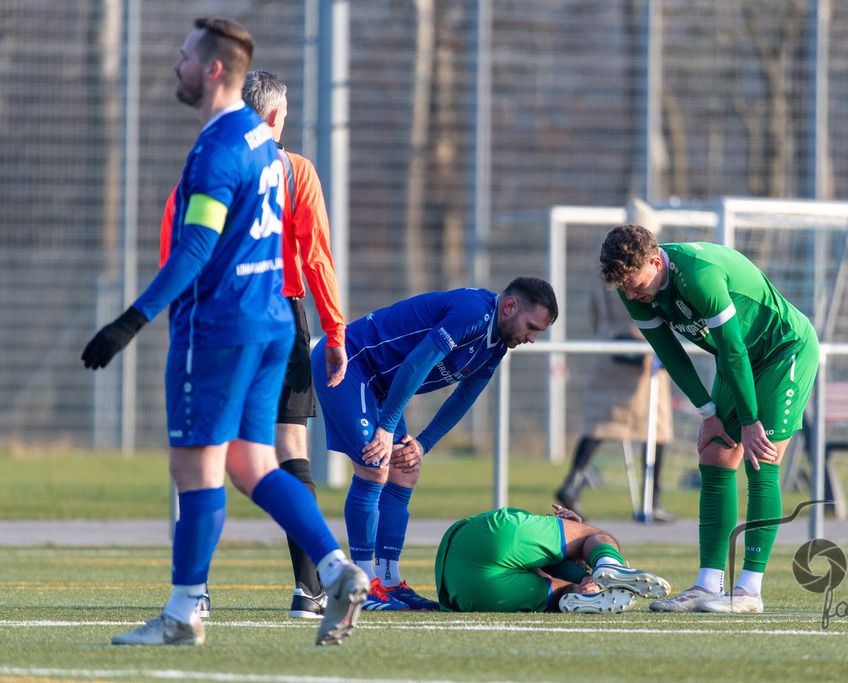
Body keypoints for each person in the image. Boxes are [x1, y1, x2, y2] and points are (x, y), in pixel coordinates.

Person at [81, 17, 368, 646]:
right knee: (253, 461)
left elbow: (193, 247)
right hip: (273, 324)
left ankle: (185, 611)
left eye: (184, 56)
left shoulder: (217, 151)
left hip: (219, 327)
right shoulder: (271, 151)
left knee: (195, 466)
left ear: (213, 70)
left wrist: (132, 319)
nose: (176, 66)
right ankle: (335, 567)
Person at [159, 69, 348, 620]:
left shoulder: (206, 163)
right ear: (272, 118)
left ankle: (195, 594)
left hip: (213, 318)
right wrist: (334, 332)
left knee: (205, 455)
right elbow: (315, 257)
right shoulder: (295, 170)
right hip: (281, 316)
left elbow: (177, 242)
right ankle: (310, 587)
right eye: (284, 116)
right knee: (289, 449)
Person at [598, 224, 819, 614]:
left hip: (785, 351)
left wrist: (750, 421)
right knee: (715, 456)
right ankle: (707, 584)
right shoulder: (632, 288)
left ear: (654, 261)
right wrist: (708, 412)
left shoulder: (699, 275)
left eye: (633, 284)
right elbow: (669, 352)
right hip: (738, 361)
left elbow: (732, 349)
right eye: (623, 288)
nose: (630, 295)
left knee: (760, 457)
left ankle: (749, 590)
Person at [312, 278, 557, 611]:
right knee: (374, 465)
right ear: (510, 306)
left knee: (404, 470)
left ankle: (387, 580)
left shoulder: (496, 344)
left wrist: (423, 445)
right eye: (531, 327)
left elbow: (464, 397)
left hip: (380, 386)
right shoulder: (473, 313)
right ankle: (361, 584)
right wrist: (385, 427)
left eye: (538, 332)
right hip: (350, 362)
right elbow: (417, 363)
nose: (531, 338)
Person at [555, 268, 675, 523]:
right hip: (646, 347)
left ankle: (572, 483)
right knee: (656, 426)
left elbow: (594, 314)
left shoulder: (602, 271)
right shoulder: (649, 268)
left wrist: (607, 333)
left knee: (599, 421)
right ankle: (651, 500)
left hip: (608, 347)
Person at [435, 504, 670, 613]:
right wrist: (578, 532)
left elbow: (548, 560)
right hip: (490, 554)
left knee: (565, 592)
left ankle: (585, 596)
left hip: (461, 590)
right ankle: (610, 564)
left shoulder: (548, 555)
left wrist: (584, 578)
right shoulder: (554, 554)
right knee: (595, 536)